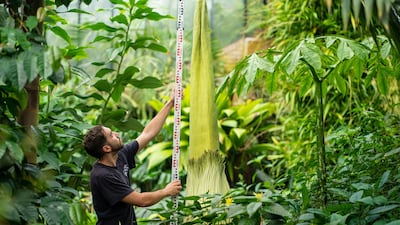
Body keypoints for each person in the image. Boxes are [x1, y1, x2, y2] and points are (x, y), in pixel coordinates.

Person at [83, 92, 182, 225]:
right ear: (106, 148)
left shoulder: (120, 155)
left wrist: (170, 103)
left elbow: (148, 133)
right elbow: (141, 200)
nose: (117, 134)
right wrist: (166, 191)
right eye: (112, 135)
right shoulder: (102, 176)